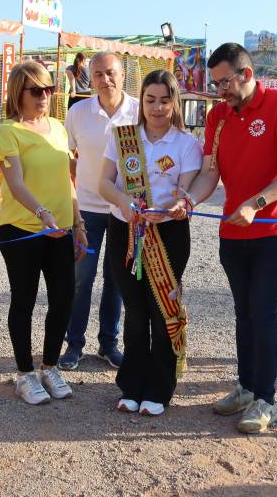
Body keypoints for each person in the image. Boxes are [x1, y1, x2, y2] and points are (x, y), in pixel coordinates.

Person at [188, 42, 277, 433]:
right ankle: (245, 386)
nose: (219, 89)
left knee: (263, 309)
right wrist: (188, 199)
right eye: (216, 82)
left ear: (247, 74)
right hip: (232, 230)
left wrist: (257, 202)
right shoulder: (218, 116)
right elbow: (210, 172)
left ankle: (266, 399)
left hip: (275, 229)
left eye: (225, 82)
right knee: (243, 312)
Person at [99, 70, 201, 416]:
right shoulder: (124, 137)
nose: (157, 108)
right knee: (135, 309)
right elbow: (104, 183)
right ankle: (132, 384)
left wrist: (178, 204)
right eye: (150, 100)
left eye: (165, 100)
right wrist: (125, 204)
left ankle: (160, 387)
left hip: (168, 233)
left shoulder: (186, 144)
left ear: (175, 103)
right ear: (141, 102)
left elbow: (185, 189)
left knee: (161, 310)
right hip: (126, 230)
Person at [0, 61, 88, 405]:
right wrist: (42, 212)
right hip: (22, 229)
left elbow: (68, 181)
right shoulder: (8, 132)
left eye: (48, 89)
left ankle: (49, 366)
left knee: (64, 298)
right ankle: (24, 374)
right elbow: (15, 183)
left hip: (60, 229)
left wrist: (78, 224)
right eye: (36, 90)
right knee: (25, 299)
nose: (44, 96)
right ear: (19, 93)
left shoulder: (59, 129)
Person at [59, 52, 138, 370]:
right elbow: (64, 152)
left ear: (122, 76)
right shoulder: (78, 112)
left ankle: (109, 343)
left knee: (116, 278)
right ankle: (74, 343)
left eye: (111, 73)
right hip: (88, 207)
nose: (105, 80)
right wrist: (79, 175)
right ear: (89, 79)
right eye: (98, 75)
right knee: (81, 278)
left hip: (124, 209)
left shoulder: (138, 109)